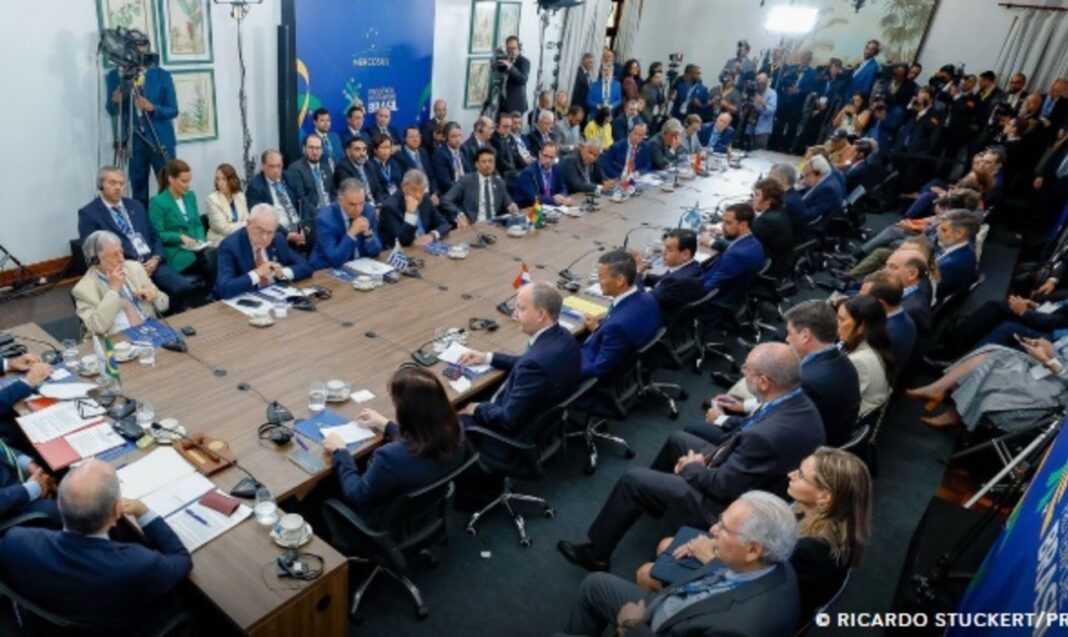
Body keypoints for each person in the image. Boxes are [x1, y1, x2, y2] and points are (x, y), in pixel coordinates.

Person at [557, 343, 823, 572]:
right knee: (678, 440)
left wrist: (694, 468)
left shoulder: (764, 437)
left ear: (764, 381)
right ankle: (655, 503)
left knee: (633, 480)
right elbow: (749, 431)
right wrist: (709, 454)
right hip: (743, 471)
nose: (743, 372)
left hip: (728, 504)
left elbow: (722, 487)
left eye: (748, 370)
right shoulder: (796, 402)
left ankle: (597, 555)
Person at [634, 449, 871, 624]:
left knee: (646, 573)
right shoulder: (828, 519)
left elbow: (762, 584)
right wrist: (715, 543)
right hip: (755, 568)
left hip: (754, 602)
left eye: (801, 475)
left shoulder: (810, 552)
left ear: (825, 497)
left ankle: (660, 618)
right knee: (667, 545)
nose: (791, 474)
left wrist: (710, 556)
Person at [555, 492, 801, 637]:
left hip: (660, 627)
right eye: (720, 520)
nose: (713, 530)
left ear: (753, 550)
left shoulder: (739, 629)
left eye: (724, 529)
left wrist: (633, 626)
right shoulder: (770, 563)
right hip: (673, 607)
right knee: (594, 584)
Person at [0, 459, 192, 632]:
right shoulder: (138, 564)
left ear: (58, 504)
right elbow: (181, 558)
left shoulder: (15, 541)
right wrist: (143, 512)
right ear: (117, 512)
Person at [323, 367, 465, 525]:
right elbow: (422, 438)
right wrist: (385, 425)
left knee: (321, 489)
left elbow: (356, 494)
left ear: (405, 411)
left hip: (383, 519)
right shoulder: (456, 430)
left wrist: (340, 452)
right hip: (425, 506)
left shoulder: (389, 457)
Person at [457, 282, 582, 439]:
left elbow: (507, 420)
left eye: (521, 309)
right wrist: (487, 357)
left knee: (444, 423)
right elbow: (527, 362)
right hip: (538, 416)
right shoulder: (565, 338)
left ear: (541, 314)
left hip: (508, 432)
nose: (515, 315)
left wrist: (476, 408)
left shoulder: (533, 366)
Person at [77, 166, 195, 309]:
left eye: (121, 183)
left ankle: (170, 315)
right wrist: (127, 266)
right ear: (101, 185)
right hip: (124, 269)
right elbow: (92, 253)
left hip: (151, 263)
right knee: (139, 303)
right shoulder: (89, 213)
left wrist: (156, 258)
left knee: (184, 287)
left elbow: (154, 235)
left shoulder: (136, 205)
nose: (118, 187)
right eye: (112, 183)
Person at [907, 332, 1068, 431]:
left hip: (1055, 387)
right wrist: (1048, 348)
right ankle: (937, 389)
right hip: (1041, 367)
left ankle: (954, 415)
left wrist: (1048, 361)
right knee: (993, 353)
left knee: (997, 377)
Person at [104, 37, 177, 207]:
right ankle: (140, 221)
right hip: (134, 143)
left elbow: (173, 110)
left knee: (169, 188)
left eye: (144, 49)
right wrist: (115, 101)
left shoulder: (162, 75)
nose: (141, 53)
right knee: (138, 191)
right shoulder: (115, 76)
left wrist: (152, 108)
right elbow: (111, 110)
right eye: (137, 49)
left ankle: (169, 221)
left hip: (161, 141)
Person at [579, 250, 661, 381]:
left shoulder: (617, 326)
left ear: (619, 280)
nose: (598, 281)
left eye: (601, 276)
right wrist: (597, 329)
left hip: (595, 366)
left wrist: (565, 370)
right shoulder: (649, 299)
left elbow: (598, 369)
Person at [73, 231, 168, 335]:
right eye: (114, 255)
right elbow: (97, 327)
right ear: (95, 260)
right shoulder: (83, 289)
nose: (121, 259)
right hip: (117, 339)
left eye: (121, 252)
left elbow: (164, 305)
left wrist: (155, 296)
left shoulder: (134, 268)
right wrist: (113, 291)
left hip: (150, 329)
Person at [215, 204, 314, 299]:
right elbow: (225, 288)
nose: (265, 238)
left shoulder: (278, 239)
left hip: (275, 297)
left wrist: (282, 273)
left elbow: (307, 267)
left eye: (270, 232)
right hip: (245, 301)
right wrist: (257, 273)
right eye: (260, 230)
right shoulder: (230, 246)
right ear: (248, 223)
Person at [147, 159, 208, 276]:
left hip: (196, 248)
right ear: (171, 179)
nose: (188, 185)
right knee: (211, 262)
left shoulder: (190, 196)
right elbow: (157, 234)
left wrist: (201, 240)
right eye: (184, 181)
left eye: (189, 181)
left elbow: (198, 223)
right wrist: (179, 237)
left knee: (218, 256)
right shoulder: (158, 202)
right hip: (176, 251)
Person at [835, 296, 893, 417]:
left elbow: (837, 400)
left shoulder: (859, 361)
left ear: (862, 326)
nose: (836, 324)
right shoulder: (873, 343)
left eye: (841, 319)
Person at [699, 203, 765, 308]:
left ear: (743, 225)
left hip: (715, 303)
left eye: (728, 223)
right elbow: (733, 247)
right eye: (723, 221)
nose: (723, 226)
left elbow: (709, 287)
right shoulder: (754, 243)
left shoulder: (736, 256)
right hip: (736, 296)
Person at [310, 179, 382, 268]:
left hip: (360, 266)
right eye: (352, 204)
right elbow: (335, 260)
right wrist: (352, 233)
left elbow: (376, 251)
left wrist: (368, 234)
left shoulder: (368, 211)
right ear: (340, 200)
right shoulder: (325, 220)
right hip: (326, 269)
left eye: (361, 203)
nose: (358, 209)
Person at [635, 229, 704, 322]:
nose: (663, 253)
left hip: (656, 318)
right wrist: (643, 276)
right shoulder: (693, 267)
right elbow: (661, 281)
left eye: (669, 249)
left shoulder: (678, 280)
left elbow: (641, 302)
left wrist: (638, 272)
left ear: (685, 254)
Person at [860, 271, 917, 382]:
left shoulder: (886, 334)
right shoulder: (899, 316)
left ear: (880, 303)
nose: (857, 299)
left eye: (863, 298)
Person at [441, 147, 519, 228]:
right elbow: (445, 200)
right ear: (476, 164)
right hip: (474, 226)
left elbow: (508, 202)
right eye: (484, 162)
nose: (487, 165)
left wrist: (512, 206)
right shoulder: (466, 180)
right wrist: (459, 214)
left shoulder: (499, 182)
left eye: (490, 161)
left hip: (495, 225)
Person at [246, 149, 307, 249]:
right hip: (278, 233)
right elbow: (260, 219)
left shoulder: (291, 177)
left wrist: (305, 226)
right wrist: (288, 235)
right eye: (272, 166)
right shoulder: (255, 187)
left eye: (279, 166)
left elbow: (303, 203)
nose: (276, 170)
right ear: (263, 166)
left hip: (300, 227)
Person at [377, 170, 450, 249]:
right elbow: (404, 241)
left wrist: (432, 235)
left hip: (424, 248)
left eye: (421, 191)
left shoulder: (425, 199)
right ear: (404, 187)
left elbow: (445, 224)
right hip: (400, 252)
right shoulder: (389, 208)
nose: (418, 195)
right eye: (414, 190)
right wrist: (410, 214)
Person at [933, 210, 980, 304]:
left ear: (959, 234)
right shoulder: (968, 248)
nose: (938, 233)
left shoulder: (948, 266)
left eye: (944, 230)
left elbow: (926, 291)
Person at [512, 142, 572, 208]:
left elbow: (563, 187)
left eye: (551, 157)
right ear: (540, 154)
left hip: (550, 208)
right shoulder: (528, 173)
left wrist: (562, 196)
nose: (548, 160)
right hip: (530, 210)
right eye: (545, 156)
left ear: (555, 157)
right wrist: (556, 201)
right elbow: (534, 198)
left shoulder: (556, 169)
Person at [750, 178, 794, 268]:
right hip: (777, 262)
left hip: (763, 264)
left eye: (757, 195)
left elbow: (744, 244)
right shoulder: (780, 213)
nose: (753, 199)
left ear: (768, 201)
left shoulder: (765, 221)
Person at [287, 134, 335, 215]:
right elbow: (301, 199)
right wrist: (320, 213)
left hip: (330, 210)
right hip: (313, 213)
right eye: (311, 148)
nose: (315, 152)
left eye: (318, 148)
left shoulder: (326, 168)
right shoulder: (295, 169)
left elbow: (333, 192)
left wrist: (335, 209)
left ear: (322, 151)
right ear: (304, 149)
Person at [205, 163, 250, 245]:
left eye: (224, 179)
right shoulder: (212, 199)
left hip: (240, 238)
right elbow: (224, 229)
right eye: (218, 179)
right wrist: (245, 224)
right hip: (220, 241)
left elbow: (247, 219)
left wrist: (246, 224)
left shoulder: (240, 196)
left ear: (232, 180)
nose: (220, 183)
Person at [799, 155, 844, 230]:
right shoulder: (827, 176)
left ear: (818, 173)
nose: (805, 178)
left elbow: (813, 215)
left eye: (807, 175)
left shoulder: (828, 189)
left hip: (812, 227)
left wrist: (794, 210)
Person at [431, 121, 473, 196]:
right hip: (451, 192)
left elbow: (470, 172)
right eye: (453, 136)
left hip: (466, 188)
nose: (458, 139)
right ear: (446, 138)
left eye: (459, 135)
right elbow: (445, 182)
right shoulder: (440, 155)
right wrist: (462, 190)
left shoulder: (465, 150)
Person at [334, 136, 378, 205]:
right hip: (358, 205)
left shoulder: (369, 165)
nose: (362, 153)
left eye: (364, 149)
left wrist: (381, 203)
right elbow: (352, 193)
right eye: (357, 150)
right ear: (348, 152)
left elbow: (378, 189)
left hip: (376, 204)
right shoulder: (342, 168)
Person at [498, 36, 531, 116]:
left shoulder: (524, 61)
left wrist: (510, 67)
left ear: (519, 48)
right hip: (502, 102)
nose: (511, 51)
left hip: (516, 104)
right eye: (509, 49)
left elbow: (523, 79)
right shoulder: (505, 59)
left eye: (513, 48)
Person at [395, 126, 434, 190]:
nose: (415, 139)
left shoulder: (423, 151)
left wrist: (434, 192)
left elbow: (431, 175)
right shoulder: (399, 156)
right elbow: (403, 181)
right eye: (411, 137)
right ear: (405, 139)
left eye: (417, 136)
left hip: (429, 188)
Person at [366, 134, 403, 203]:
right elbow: (376, 190)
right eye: (382, 148)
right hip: (382, 199)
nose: (386, 151)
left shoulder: (394, 163)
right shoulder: (370, 165)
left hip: (397, 196)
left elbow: (400, 182)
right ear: (375, 150)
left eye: (388, 147)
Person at [748, 73, 778, 150]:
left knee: (759, 151)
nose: (760, 85)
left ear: (766, 82)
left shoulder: (772, 93)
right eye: (758, 82)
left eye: (762, 83)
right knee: (747, 149)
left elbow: (772, 110)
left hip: (763, 129)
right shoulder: (754, 91)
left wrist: (763, 103)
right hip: (750, 126)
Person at [490, 113, 523, 181]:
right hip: (504, 174)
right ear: (497, 126)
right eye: (505, 127)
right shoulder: (493, 140)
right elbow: (500, 161)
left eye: (509, 127)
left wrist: (527, 167)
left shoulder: (510, 137)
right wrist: (515, 171)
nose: (508, 129)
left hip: (514, 170)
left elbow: (517, 155)